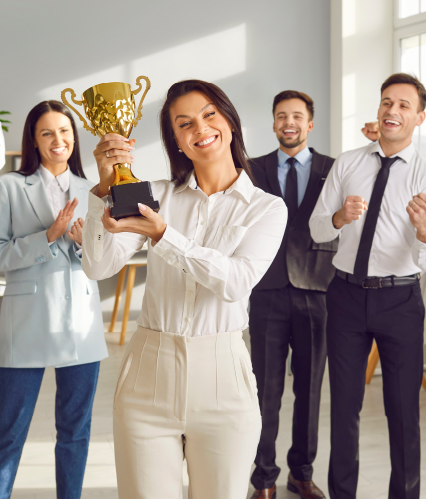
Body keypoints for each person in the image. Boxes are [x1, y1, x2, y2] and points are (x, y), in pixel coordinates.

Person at [81, 79, 288, 499]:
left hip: (224, 377)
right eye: (184, 123)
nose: (200, 128)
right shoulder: (154, 194)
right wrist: (103, 191)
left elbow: (234, 282)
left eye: (209, 114)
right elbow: (98, 265)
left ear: (229, 121)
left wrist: (164, 236)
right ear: (175, 141)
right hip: (147, 375)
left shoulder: (268, 208)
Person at [309, 73, 426, 499]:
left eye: (404, 105)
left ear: (419, 117)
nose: (392, 110)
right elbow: (316, 229)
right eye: (387, 102)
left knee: (403, 412)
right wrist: (338, 218)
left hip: (400, 301)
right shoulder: (347, 163)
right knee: (345, 409)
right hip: (346, 295)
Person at [0, 100, 108, 499]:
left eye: (65, 132)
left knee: (76, 430)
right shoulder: (9, 186)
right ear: (33, 139)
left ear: (74, 138)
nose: (57, 140)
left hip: (81, 324)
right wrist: (47, 236)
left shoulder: (93, 190)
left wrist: (83, 244)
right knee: (8, 433)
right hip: (26, 322)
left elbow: (104, 257)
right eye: (47, 133)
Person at [248, 91, 336, 499]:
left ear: (310, 124)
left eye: (297, 116)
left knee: (310, 388)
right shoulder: (251, 169)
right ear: (273, 123)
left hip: (317, 289)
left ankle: (302, 472)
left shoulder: (333, 170)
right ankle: (263, 477)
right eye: (282, 116)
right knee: (265, 390)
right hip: (266, 290)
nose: (289, 122)